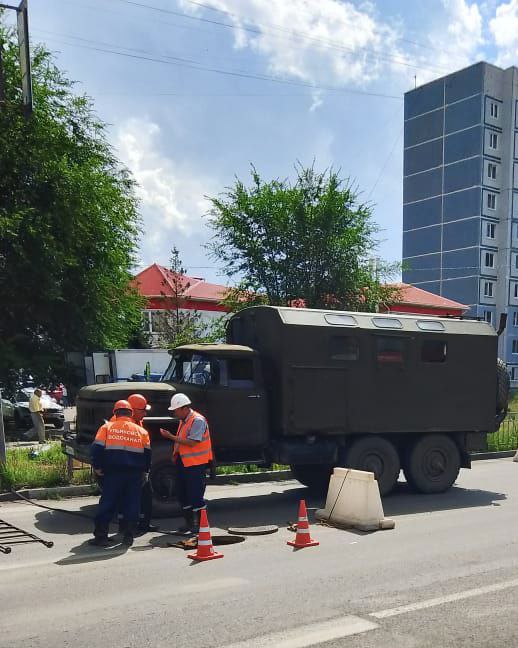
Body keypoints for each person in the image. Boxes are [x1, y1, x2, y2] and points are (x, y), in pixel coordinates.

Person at [90, 399, 151, 547]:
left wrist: (97, 467)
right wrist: (145, 472)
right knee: (133, 504)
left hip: (112, 474)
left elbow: (96, 449)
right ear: (131, 413)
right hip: (134, 475)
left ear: (115, 413)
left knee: (108, 503)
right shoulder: (141, 431)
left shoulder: (107, 427)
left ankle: (101, 536)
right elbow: (148, 455)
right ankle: (129, 536)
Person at [159, 393, 213, 533]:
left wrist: (170, 437)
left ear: (184, 408)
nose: (174, 413)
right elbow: (182, 441)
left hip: (195, 464)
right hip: (184, 462)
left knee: (196, 496)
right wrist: (175, 455)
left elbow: (192, 442)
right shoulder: (184, 420)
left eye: (176, 410)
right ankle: (189, 524)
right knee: (182, 494)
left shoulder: (198, 420)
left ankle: (202, 526)